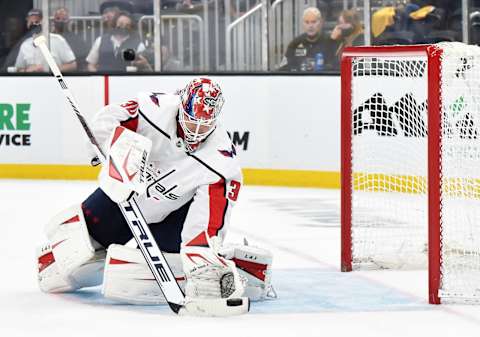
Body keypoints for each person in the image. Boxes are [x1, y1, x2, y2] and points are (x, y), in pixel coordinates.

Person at [36, 78, 275, 308]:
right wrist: (109, 151)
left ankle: (234, 264)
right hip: (123, 195)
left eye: (205, 126)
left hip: (171, 217)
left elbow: (207, 220)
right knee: (64, 262)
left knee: (135, 274)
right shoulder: (154, 108)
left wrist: (200, 255)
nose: (196, 133)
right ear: (182, 107)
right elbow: (109, 119)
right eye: (192, 122)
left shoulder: (221, 161)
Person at [86, 11, 151, 72]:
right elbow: (91, 65)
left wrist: (144, 64)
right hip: (104, 80)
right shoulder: (100, 40)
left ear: (131, 28)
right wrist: (98, 78)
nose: (123, 27)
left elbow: (145, 67)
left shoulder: (139, 45)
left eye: (127, 25)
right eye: (120, 24)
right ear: (114, 24)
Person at [278, 7, 334, 72]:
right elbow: (283, 68)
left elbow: (336, 67)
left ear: (320, 23)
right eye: (307, 22)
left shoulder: (329, 42)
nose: (310, 26)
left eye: (313, 22)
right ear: (303, 24)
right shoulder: (295, 43)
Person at [52, 7, 89, 71]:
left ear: (69, 21)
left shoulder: (77, 40)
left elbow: (83, 61)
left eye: (64, 19)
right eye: (58, 18)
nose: (61, 21)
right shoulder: (49, 38)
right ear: (53, 20)